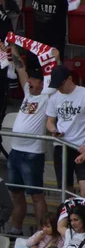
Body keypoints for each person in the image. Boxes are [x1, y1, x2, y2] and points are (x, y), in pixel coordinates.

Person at [7, 52, 53, 235]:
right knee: (16, 194)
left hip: (32, 154)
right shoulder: (28, 92)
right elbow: (19, 67)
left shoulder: (48, 97)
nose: (29, 83)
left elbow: (53, 73)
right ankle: (16, 229)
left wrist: (54, 59)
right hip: (15, 151)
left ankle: (42, 233)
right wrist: (12, 46)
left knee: (36, 196)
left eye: (33, 81)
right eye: (30, 80)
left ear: (43, 83)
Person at [45, 65, 85, 197]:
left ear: (69, 79)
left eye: (60, 84)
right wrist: (54, 130)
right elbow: (50, 121)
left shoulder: (83, 94)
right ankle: (69, 215)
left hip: (81, 146)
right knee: (65, 188)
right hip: (61, 145)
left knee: (83, 186)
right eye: (56, 86)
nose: (59, 89)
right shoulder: (54, 97)